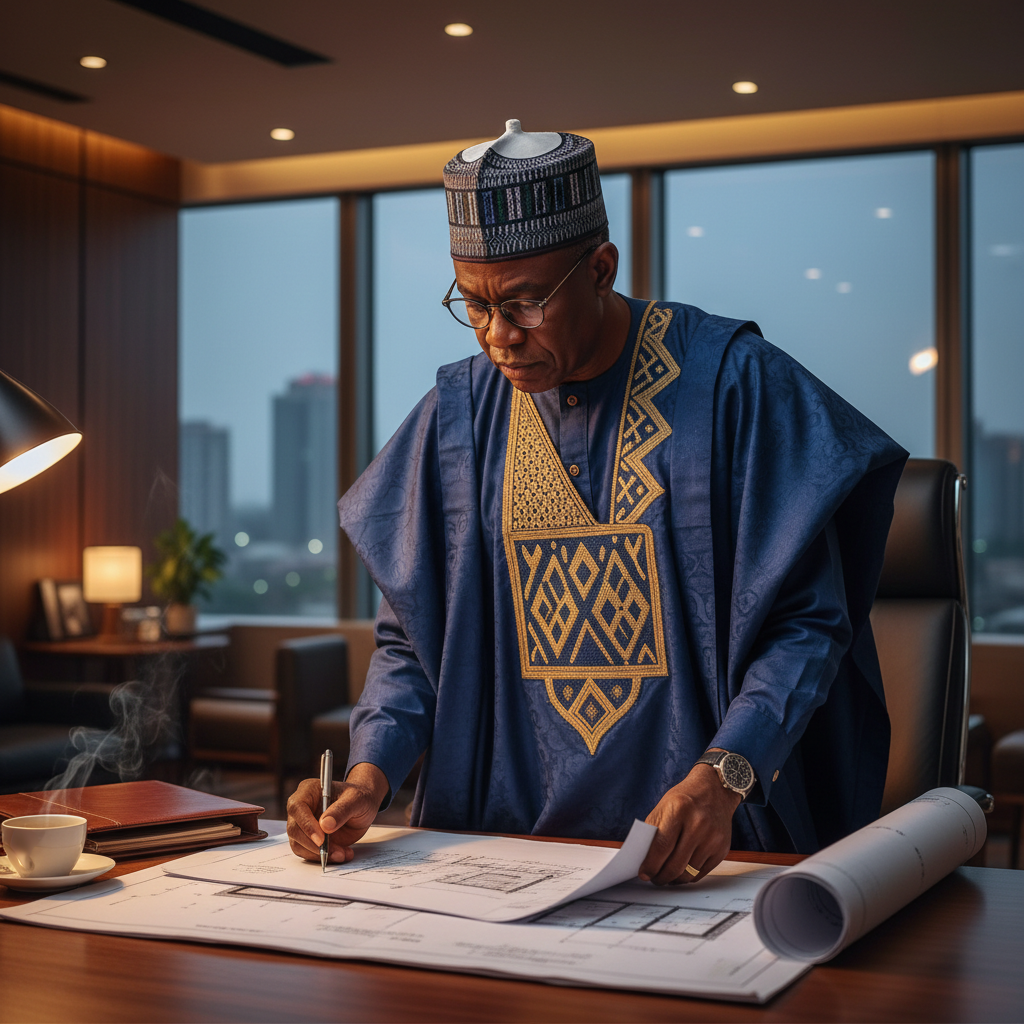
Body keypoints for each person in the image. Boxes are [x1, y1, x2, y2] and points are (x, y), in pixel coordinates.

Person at [288, 120, 907, 884]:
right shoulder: (460, 415)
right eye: (472, 305)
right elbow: (413, 644)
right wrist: (368, 774)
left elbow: (808, 627)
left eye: (522, 304)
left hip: (707, 849)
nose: (497, 338)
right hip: (500, 851)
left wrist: (726, 778)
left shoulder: (734, 386)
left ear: (602, 267)